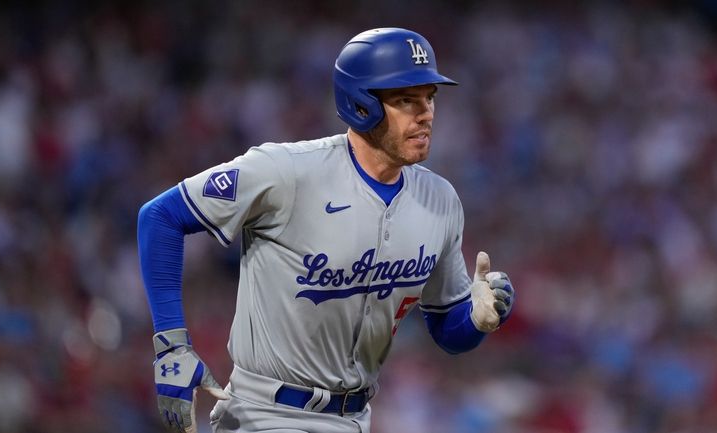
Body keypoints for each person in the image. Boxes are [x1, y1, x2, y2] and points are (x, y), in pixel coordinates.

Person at [138, 27, 515, 433]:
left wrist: (476, 320)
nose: (426, 113)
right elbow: (160, 216)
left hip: (354, 419)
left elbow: (446, 330)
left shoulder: (440, 200)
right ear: (361, 104)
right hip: (263, 415)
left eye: (429, 98)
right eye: (407, 100)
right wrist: (171, 345)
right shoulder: (287, 172)